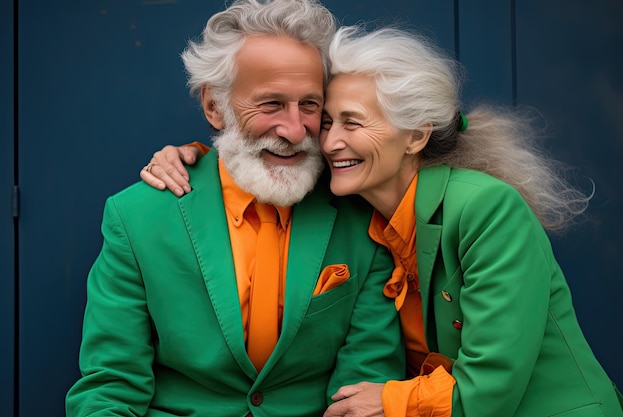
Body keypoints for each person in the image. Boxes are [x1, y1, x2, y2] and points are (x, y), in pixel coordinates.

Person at [143, 24, 623, 416]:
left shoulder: (486, 208)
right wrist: (196, 158)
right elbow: (260, 154)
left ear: (415, 138)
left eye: (353, 123)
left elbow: (492, 388)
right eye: (327, 121)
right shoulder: (358, 206)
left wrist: (390, 400)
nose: (328, 141)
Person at [65, 2, 407, 416]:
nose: (295, 130)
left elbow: (363, 387)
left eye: (311, 105)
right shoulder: (137, 217)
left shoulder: (361, 214)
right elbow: (111, 386)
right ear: (214, 106)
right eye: (271, 105)